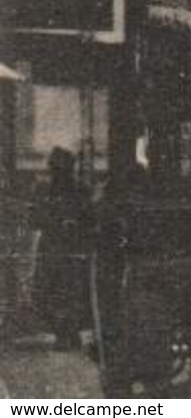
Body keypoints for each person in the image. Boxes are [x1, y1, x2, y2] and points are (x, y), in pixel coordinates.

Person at [32, 148, 90, 350]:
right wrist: (55, 221)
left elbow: (88, 218)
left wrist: (75, 223)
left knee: (72, 292)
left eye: (62, 169)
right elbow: (34, 219)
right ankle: (61, 333)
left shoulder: (80, 190)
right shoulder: (43, 190)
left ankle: (70, 333)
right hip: (52, 247)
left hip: (72, 248)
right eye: (55, 169)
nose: (58, 174)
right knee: (51, 291)